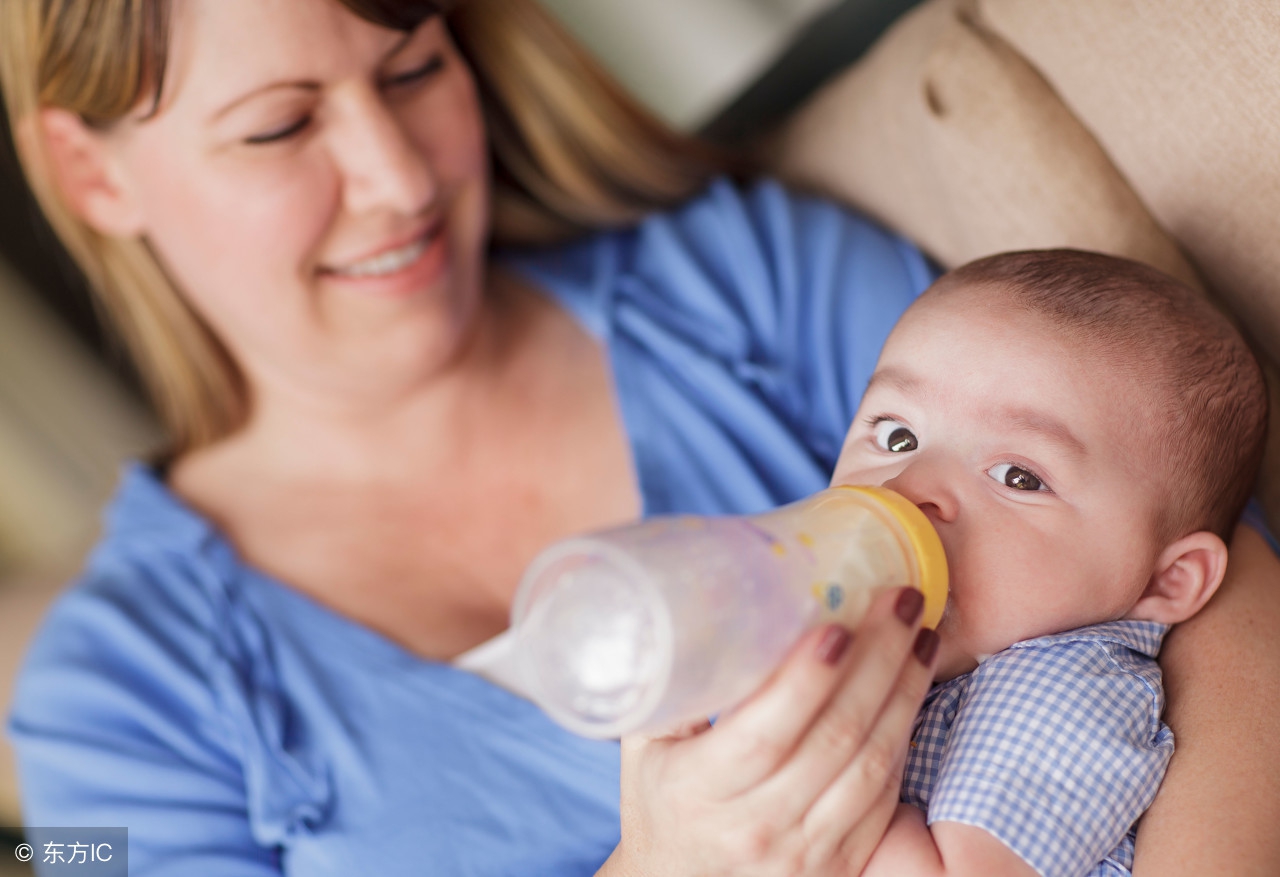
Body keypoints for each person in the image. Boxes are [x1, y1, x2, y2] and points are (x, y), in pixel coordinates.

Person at [0, 1, 1276, 875]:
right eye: (278, 125)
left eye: (412, 72)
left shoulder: (743, 284)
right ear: (93, 170)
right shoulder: (107, 707)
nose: (396, 177)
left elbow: (1204, 569)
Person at [825, 250, 1266, 876]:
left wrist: (834, 753)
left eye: (1018, 476)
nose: (909, 483)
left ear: (1166, 580)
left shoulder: (1063, 687)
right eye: (897, 435)